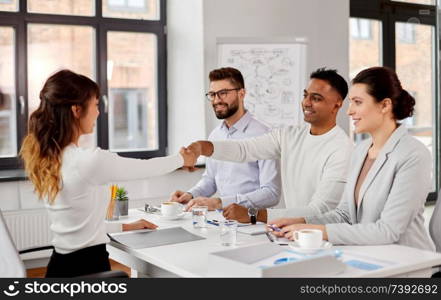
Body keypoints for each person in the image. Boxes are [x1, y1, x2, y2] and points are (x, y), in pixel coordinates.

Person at [19, 69, 197, 277]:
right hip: (88, 269)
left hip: (60, 267)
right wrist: (182, 159)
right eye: (95, 105)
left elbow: (78, 228)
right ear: (77, 110)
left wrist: (126, 227)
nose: (98, 112)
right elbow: (145, 168)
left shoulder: (50, 157)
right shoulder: (88, 161)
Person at [269, 66, 435, 251]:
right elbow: (344, 215)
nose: (349, 111)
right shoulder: (360, 150)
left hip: (407, 261)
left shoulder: (413, 154)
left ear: (385, 105)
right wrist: (299, 222)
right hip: (367, 253)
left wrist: (317, 230)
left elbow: (387, 231)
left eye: (357, 102)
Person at [185, 68, 353, 223]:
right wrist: (201, 147)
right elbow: (244, 150)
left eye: (316, 98)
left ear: (337, 104)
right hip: (293, 230)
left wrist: (253, 214)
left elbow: (320, 210)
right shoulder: (289, 135)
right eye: (305, 95)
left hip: (324, 236)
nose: (306, 103)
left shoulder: (341, 148)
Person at [170, 67, 281, 212]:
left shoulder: (265, 134)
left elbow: (271, 193)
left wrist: (221, 202)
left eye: (223, 93)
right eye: (212, 94)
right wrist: (190, 195)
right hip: (222, 220)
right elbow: (210, 180)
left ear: (241, 93)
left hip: (254, 222)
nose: (216, 100)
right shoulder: (215, 135)